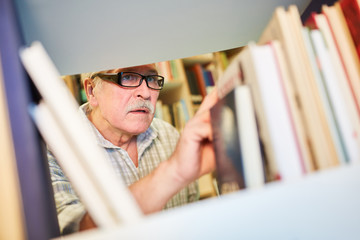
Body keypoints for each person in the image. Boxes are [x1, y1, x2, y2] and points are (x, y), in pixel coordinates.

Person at [48, 63, 218, 234]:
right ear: (92, 91)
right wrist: (174, 172)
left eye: (151, 79)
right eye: (127, 77)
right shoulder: (54, 149)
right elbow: (70, 231)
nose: (145, 93)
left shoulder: (170, 135)